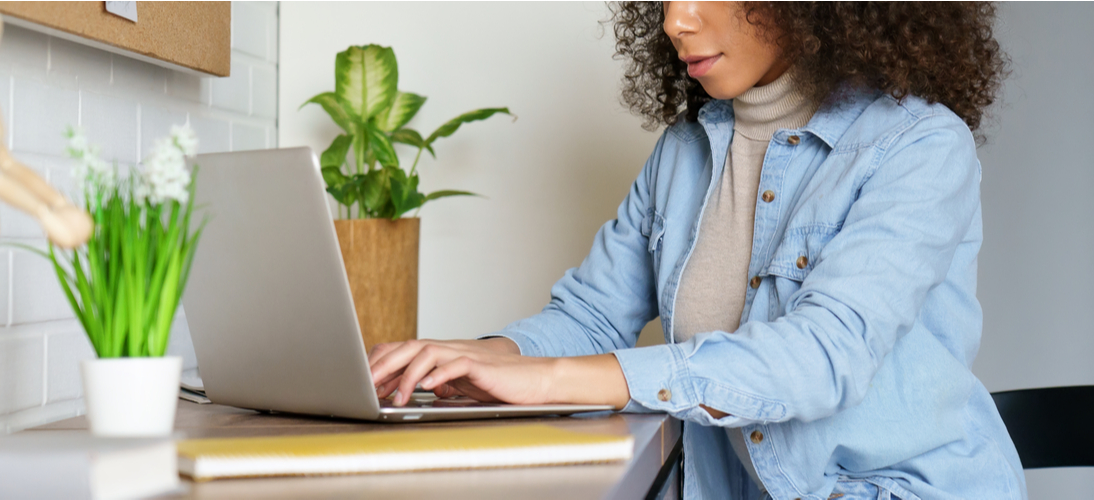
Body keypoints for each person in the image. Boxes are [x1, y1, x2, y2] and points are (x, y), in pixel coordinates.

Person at [369, 2, 1024, 499]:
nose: (675, 21)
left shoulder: (919, 146)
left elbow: (823, 356)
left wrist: (549, 380)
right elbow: (591, 318)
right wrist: (469, 360)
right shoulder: (683, 153)